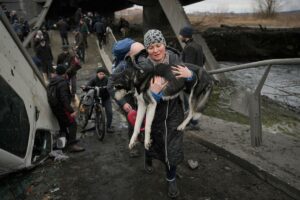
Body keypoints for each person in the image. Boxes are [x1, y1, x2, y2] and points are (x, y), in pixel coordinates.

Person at [135, 29, 196, 198]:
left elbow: (188, 88)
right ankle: (148, 157)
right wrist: (153, 94)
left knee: (172, 147)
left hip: (174, 110)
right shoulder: (142, 67)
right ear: (146, 49)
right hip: (153, 114)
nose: (155, 50)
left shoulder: (177, 60)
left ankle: (171, 179)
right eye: (151, 47)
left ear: (164, 44)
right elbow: (137, 98)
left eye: (158, 45)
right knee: (153, 140)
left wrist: (190, 76)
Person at [107, 40, 145, 157]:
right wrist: (123, 103)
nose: (143, 58)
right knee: (132, 122)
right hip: (125, 96)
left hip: (138, 95)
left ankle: (140, 136)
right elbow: (110, 85)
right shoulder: (122, 67)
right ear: (131, 55)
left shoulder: (141, 62)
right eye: (139, 56)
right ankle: (132, 146)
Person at [48, 65, 85, 152]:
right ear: (64, 73)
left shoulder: (52, 81)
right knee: (72, 123)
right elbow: (64, 99)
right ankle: (72, 145)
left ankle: (64, 143)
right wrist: (71, 111)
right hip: (62, 108)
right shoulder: (62, 83)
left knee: (62, 125)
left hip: (55, 107)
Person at [179, 26, 204, 130]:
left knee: (188, 102)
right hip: (198, 77)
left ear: (185, 36)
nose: (179, 36)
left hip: (191, 80)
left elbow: (188, 66)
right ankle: (193, 122)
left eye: (180, 34)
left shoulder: (189, 48)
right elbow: (203, 61)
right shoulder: (198, 46)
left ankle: (192, 123)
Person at [83, 67, 114, 133]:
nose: (102, 75)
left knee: (109, 112)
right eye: (100, 74)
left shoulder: (107, 79)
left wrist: (110, 87)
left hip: (106, 98)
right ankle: (96, 124)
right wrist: (86, 87)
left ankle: (108, 127)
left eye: (103, 74)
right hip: (96, 98)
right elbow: (88, 85)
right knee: (96, 112)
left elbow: (111, 85)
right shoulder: (94, 79)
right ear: (97, 74)